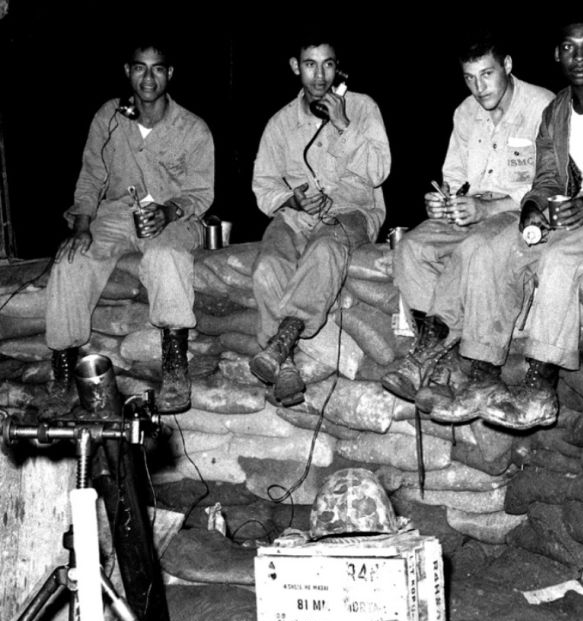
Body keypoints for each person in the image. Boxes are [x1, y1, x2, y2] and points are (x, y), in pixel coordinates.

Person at [415, 19, 583, 430]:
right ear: (557, 55)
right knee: (492, 248)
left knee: (559, 258)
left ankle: (539, 389)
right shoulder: (556, 111)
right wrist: (533, 208)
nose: (579, 57)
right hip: (577, 208)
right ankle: (483, 375)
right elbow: (548, 179)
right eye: (569, 48)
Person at [44, 37, 214, 417]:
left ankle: (174, 366)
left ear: (170, 73)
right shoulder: (110, 116)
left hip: (173, 217)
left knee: (166, 257)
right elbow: (91, 176)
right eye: (140, 68)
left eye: (157, 69)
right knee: (71, 261)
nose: (148, 78)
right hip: (117, 214)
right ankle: (64, 370)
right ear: (127, 71)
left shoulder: (193, 128)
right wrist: (82, 226)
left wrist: (169, 211)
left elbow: (201, 193)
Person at [381, 32, 554, 402]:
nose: (479, 87)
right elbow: (455, 177)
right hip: (472, 210)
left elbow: (550, 185)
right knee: (411, 248)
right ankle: (442, 353)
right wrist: (444, 201)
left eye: (487, 74)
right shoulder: (464, 112)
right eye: (470, 78)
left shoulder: (543, 107)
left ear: (507, 66)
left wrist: (489, 209)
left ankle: (426, 356)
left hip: (518, 215)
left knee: (475, 248)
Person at [249, 36, 391, 406]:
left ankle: (282, 340)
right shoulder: (281, 123)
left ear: (338, 67)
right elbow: (263, 187)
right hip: (297, 216)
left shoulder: (362, 108)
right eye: (310, 64)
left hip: (351, 213)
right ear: (296, 67)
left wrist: (344, 125)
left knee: (325, 249)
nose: (320, 75)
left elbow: (379, 171)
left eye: (328, 64)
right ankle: (286, 367)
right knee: (267, 265)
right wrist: (291, 199)